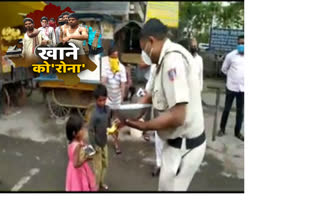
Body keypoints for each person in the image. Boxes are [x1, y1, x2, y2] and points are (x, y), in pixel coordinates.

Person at [125, 18, 206, 191]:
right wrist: (130, 115)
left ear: (151, 41)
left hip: (186, 147)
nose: (144, 55)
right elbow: (149, 95)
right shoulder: (160, 62)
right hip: (173, 142)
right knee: (163, 188)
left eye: (143, 49)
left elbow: (178, 116)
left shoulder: (172, 61)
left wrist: (145, 126)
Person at [217, 35, 245, 141]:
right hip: (231, 87)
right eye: (240, 43)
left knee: (240, 112)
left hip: (243, 89)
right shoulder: (231, 56)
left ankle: (237, 132)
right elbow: (224, 69)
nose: (242, 45)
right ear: (237, 43)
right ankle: (222, 129)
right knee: (227, 109)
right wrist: (232, 77)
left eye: (244, 43)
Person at [101, 47, 127, 154]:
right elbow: (103, 81)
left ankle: (116, 143)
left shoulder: (121, 68)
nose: (114, 59)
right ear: (109, 57)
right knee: (104, 119)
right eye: (112, 57)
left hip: (116, 98)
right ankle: (103, 139)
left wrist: (121, 98)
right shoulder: (105, 66)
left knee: (116, 122)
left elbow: (123, 84)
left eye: (116, 57)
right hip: (107, 97)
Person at [88, 84, 112, 191]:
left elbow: (109, 124)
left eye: (104, 100)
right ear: (96, 100)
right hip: (97, 145)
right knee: (98, 168)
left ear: (106, 98)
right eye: (100, 100)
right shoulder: (94, 115)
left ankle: (101, 183)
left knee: (105, 164)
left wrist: (113, 127)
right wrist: (94, 146)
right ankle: (95, 187)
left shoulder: (108, 110)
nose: (102, 102)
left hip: (104, 143)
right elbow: (90, 131)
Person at [65, 114, 97, 191]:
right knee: (81, 185)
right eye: (81, 129)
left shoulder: (74, 141)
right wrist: (86, 158)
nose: (84, 131)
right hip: (78, 171)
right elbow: (76, 164)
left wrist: (89, 151)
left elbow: (84, 146)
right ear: (74, 133)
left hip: (71, 168)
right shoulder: (77, 146)